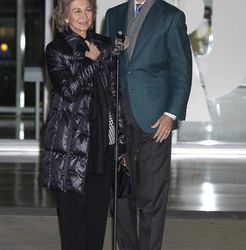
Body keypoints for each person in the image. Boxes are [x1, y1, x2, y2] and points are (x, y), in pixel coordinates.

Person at [103, 0, 192, 249]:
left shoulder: (172, 16)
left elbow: (182, 68)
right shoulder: (114, 14)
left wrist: (171, 113)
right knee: (120, 190)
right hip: (119, 117)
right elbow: (110, 62)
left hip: (156, 119)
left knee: (153, 193)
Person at [41, 0, 126, 249]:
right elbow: (67, 90)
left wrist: (120, 141)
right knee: (73, 220)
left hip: (102, 140)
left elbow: (114, 94)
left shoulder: (105, 44)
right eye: (76, 11)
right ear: (65, 16)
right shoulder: (56, 49)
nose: (84, 16)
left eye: (88, 10)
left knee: (98, 218)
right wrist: (89, 62)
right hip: (71, 145)